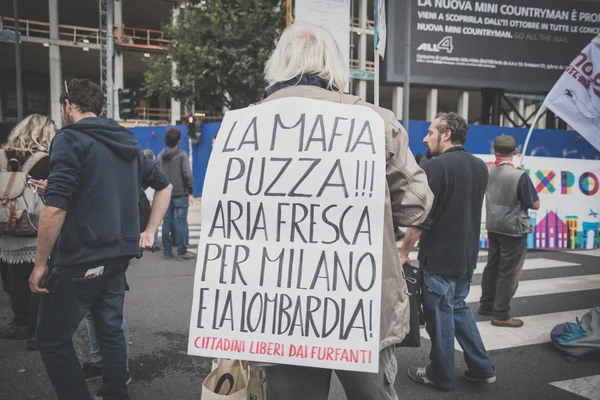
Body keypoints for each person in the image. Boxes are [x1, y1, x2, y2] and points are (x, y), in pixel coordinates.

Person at [260, 22, 433, 400]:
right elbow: (417, 204)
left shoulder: (247, 123)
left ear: (279, 63)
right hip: (360, 299)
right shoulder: (373, 119)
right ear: (334, 66)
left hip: (280, 304)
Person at [29, 78, 172, 400]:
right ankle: (115, 392)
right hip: (118, 255)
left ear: (68, 105)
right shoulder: (127, 142)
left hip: (81, 255)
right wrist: (148, 231)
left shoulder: (70, 139)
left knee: (52, 339)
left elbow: (54, 209)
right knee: (109, 328)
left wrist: (39, 264)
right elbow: (164, 186)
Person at [400, 112, 496, 391]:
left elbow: (421, 217)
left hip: (440, 256)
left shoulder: (436, 167)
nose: (424, 137)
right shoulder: (479, 166)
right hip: (466, 255)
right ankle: (481, 367)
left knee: (440, 319)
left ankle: (440, 375)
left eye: (430, 132)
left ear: (446, 134)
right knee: (457, 308)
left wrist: (404, 252)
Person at [0, 114, 55, 351]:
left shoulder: (2, 155)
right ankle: (36, 332)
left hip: (7, 226)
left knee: (15, 279)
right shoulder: (46, 159)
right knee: (39, 279)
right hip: (36, 226)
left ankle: (19, 322)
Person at [479, 134, 540, 328]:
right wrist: (521, 175)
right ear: (514, 152)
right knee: (508, 272)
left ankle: (486, 305)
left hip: (494, 225)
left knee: (492, 267)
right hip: (514, 228)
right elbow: (535, 203)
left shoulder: (488, 171)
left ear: (494, 151)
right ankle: (501, 314)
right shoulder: (519, 175)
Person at [157, 128, 195, 261]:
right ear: (178, 140)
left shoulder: (161, 155)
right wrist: (190, 190)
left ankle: (167, 251)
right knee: (181, 222)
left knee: (166, 221)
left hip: (165, 193)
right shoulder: (182, 155)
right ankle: (181, 250)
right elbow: (187, 175)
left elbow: (157, 173)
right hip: (180, 192)